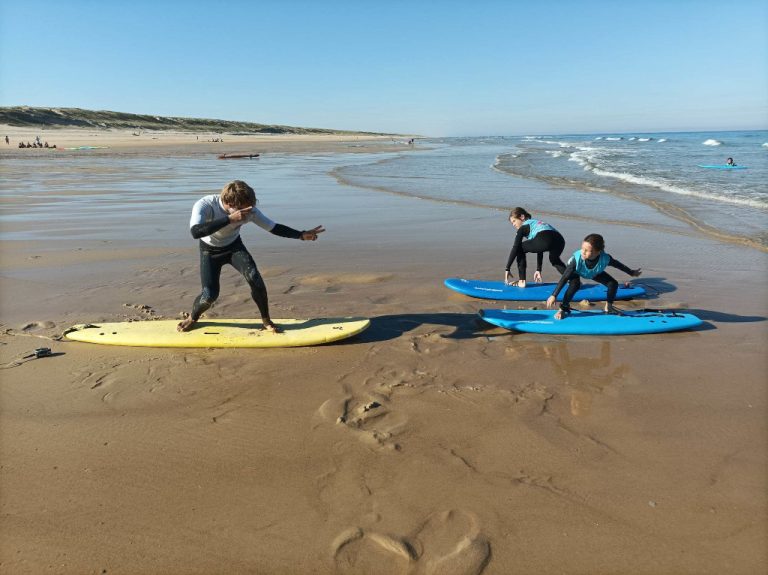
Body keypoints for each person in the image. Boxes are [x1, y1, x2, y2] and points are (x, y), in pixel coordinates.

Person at [177, 180, 325, 333]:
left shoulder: (249, 210)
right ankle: (193, 317)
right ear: (228, 203)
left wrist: (300, 235)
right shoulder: (206, 205)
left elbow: (273, 227)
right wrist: (229, 219)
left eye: (250, 207)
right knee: (209, 295)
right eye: (243, 209)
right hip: (209, 251)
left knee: (255, 279)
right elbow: (195, 232)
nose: (248, 212)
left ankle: (266, 321)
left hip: (234, 247)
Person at [546, 233, 641, 319]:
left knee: (613, 283)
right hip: (576, 270)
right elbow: (565, 277)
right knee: (575, 284)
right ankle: (563, 309)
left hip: (593, 272)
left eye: (587, 250)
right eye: (582, 248)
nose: (583, 252)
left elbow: (618, 265)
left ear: (598, 251)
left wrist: (631, 272)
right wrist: (554, 295)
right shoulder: (577, 259)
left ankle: (609, 307)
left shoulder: (605, 258)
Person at [504, 207, 567, 287]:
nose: (513, 224)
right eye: (512, 223)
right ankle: (572, 279)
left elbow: (515, 247)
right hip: (559, 240)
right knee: (554, 260)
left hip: (545, 238)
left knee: (520, 248)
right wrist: (538, 269)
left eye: (514, 221)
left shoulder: (524, 227)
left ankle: (522, 281)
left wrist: (507, 268)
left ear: (522, 217)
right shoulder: (535, 224)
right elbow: (540, 247)